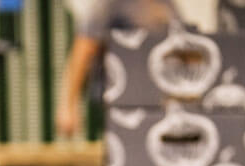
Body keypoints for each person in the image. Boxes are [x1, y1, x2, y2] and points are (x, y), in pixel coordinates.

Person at [56, 0, 180, 137]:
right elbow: (84, 47)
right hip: (119, 104)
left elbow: (182, 44)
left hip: (160, 101)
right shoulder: (110, 4)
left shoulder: (166, 3)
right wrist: (68, 105)